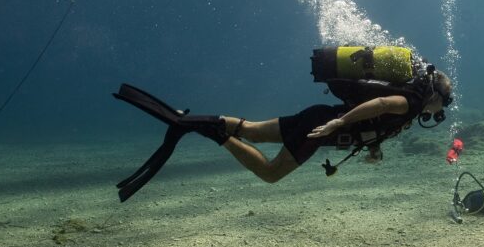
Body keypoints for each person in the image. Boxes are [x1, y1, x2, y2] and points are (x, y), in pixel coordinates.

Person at [112, 67, 452, 202]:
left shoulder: (409, 108)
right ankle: (215, 133)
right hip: (319, 129)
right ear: (434, 94)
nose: (439, 113)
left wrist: (372, 147)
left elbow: (375, 120)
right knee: (270, 174)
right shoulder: (409, 102)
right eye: (444, 104)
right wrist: (337, 124)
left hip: (317, 117)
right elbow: (379, 103)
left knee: (254, 132)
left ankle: (197, 121)